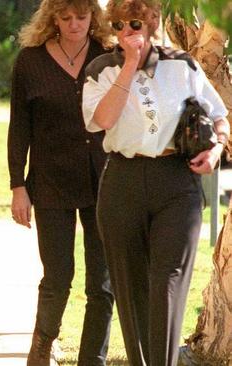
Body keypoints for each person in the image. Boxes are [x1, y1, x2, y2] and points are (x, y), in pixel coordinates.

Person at [82, 0, 230, 363]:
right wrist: (129, 65)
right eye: (117, 26)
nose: (125, 32)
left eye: (133, 23)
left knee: (167, 282)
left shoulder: (182, 65)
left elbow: (221, 116)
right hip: (123, 180)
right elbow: (101, 119)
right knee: (130, 290)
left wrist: (215, 152)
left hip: (176, 183)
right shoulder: (101, 69)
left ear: (151, 23)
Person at [8, 0, 115, 364]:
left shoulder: (109, 56)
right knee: (57, 276)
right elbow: (18, 128)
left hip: (103, 182)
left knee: (102, 283)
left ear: (93, 17)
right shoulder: (30, 61)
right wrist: (17, 185)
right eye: (65, 17)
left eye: (81, 17)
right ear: (52, 18)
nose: (74, 25)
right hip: (50, 181)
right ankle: (40, 350)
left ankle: (92, 359)